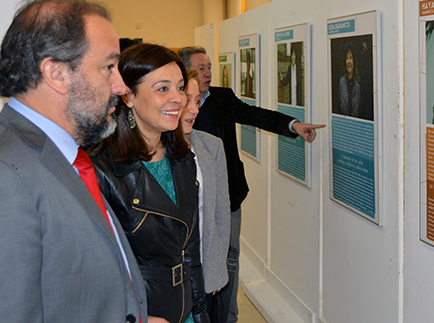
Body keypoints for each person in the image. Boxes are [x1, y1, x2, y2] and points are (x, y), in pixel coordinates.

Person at [0, 0, 147, 322]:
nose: (120, 85)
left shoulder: (62, 155)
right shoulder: (4, 176)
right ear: (56, 73)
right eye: (109, 66)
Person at [178, 45, 325, 323]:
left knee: (229, 261)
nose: (208, 73)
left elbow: (256, 115)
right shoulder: (172, 115)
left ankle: (228, 317)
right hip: (193, 208)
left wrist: (292, 125)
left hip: (228, 200)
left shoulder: (222, 98)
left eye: (210, 66)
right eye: (201, 68)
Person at [90, 44, 210, 323]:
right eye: (162, 89)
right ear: (129, 96)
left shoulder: (182, 158)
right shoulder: (102, 171)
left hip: (185, 308)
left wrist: (200, 312)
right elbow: (97, 270)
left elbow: (190, 250)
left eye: (180, 88)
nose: (178, 99)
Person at [183, 68, 231, 321]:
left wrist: (214, 270)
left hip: (204, 271)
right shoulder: (152, 153)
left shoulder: (211, 146)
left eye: (197, 101)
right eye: (186, 100)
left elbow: (221, 213)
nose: (194, 109)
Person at [338, 41, 363, 118]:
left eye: (351, 57)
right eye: (347, 58)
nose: (349, 61)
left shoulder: (358, 86)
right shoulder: (341, 82)